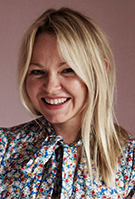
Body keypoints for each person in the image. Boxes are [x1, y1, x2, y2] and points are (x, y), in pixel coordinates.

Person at [0, 7, 134, 199]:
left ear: (99, 72)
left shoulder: (130, 162)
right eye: (38, 72)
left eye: (68, 70)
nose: (51, 86)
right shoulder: (5, 148)